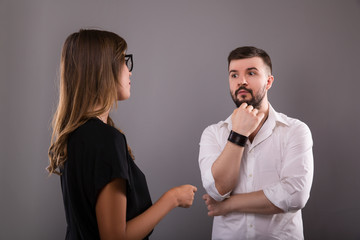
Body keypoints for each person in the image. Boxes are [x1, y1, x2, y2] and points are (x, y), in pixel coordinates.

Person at [47, 29, 197, 240]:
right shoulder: (106, 140)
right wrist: (172, 199)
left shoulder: (73, 136)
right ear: (102, 70)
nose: (130, 71)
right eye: (123, 61)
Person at [198, 46, 313, 239]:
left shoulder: (295, 130)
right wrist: (238, 133)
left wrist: (228, 205)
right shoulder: (213, 134)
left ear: (268, 82)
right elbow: (218, 190)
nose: (241, 81)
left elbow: (295, 195)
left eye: (251, 73)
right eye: (234, 75)